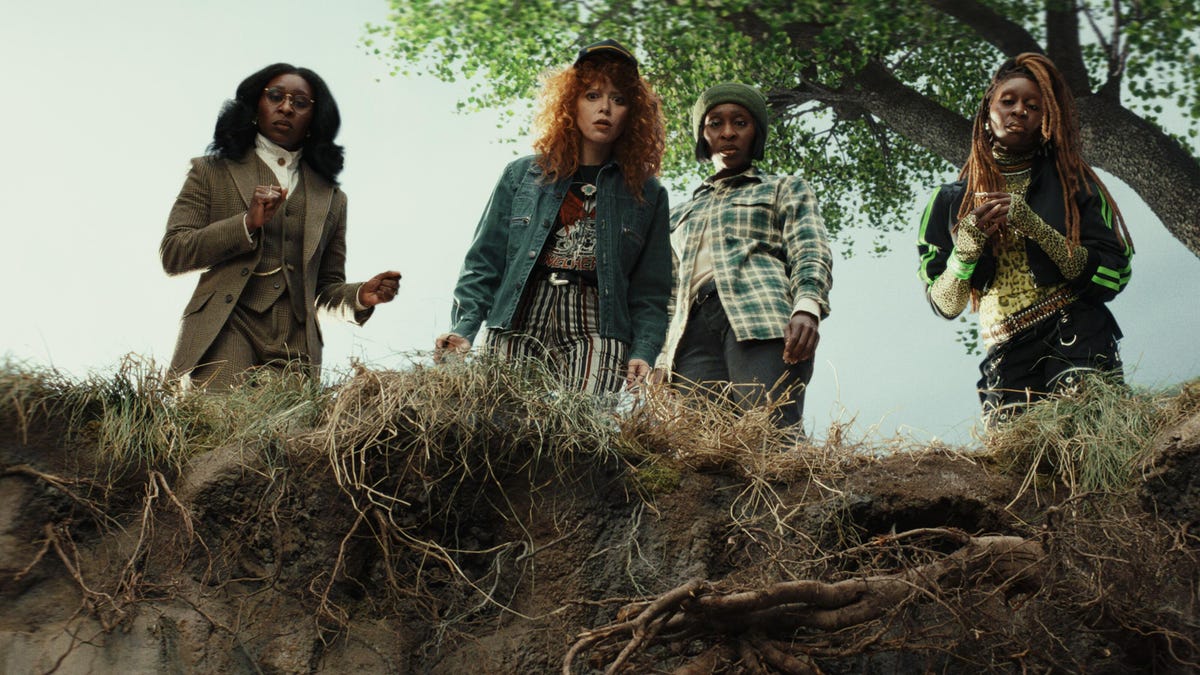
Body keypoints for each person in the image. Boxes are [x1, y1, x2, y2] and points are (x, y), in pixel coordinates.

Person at [435, 39, 671, 394]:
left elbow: (651, 290)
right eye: (592, 95)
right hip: (521, 310)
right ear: (570, 103)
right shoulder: (522, 175)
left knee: (587, 430)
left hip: (598, 320)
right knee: (504, 427)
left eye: (618, 99)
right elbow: (484, 260)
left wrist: (644, 350)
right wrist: (465, 328)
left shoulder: (648, 193)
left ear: (632, 114)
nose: (605, 108)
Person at [916, 52, 1133, 425]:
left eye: (1032, 106)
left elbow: (1116, 273)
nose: (1019, 111)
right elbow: (944, 304)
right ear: (987, 111)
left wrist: (1036, 227)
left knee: (1090, 437)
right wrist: (965, 252)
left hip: (1075, 332)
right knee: (1018, 470)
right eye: (1008, 101)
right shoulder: (949, 201)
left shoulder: (1074, 183)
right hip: (1004, 354)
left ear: (1045, 119)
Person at [161, 63, 401, 389]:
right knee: (219, 431)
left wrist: (360, 296)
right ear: (256, 105)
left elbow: (324, 289)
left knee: (286, 438)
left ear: (314, 119)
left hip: (295, 346)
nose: (286, 107)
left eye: (300, 103)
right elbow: (174, 253)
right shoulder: (210, 171)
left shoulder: (332, 199)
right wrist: (247, 223)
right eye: (275, 96)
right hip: (227, 328)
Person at [655, 83, 833, 431]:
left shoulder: (784, 187)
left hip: (761, 318)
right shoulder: (677, 215)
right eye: (715, 123)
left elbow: (809, 248)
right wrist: (662, 357)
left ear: (755, 133)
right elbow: (670, 291)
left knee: (769, 432)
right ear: (702, 135)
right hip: (690, 336)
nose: (728, 133)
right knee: (700, 448)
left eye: (740, 122)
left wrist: (807, 307)